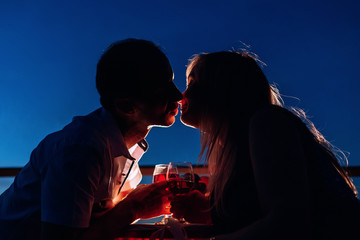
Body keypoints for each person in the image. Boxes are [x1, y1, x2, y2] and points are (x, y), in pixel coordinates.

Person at [0, 39, 183, 240]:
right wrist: (133, 208)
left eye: (172, 82)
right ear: (126, 107)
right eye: (162, 89)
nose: (178, 95)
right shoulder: (81, 151)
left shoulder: (122, 147)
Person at [171, 51, 360, 239]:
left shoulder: (268, 123)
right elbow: (257, 215)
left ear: (220, 88)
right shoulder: (238, 147)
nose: (182, 95)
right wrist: (209, 213)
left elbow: (287, 224)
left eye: (192, 83)